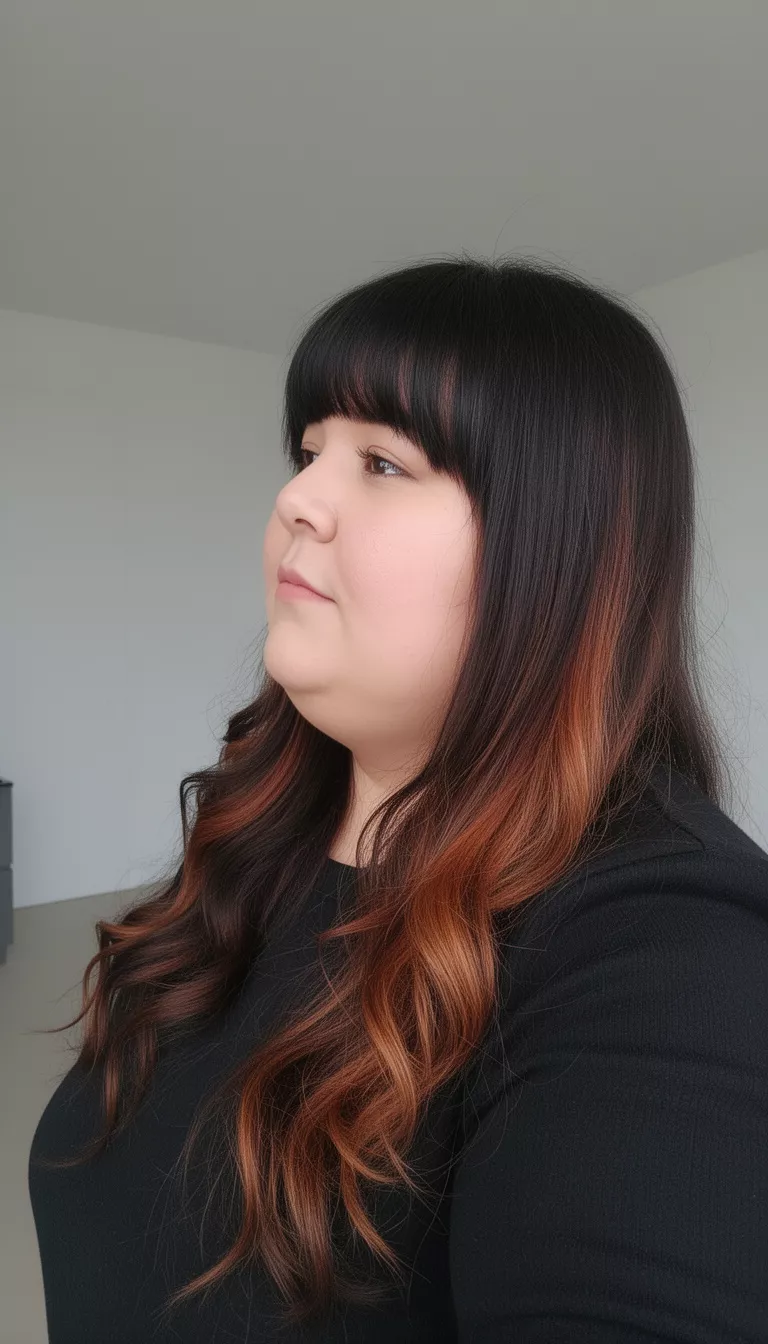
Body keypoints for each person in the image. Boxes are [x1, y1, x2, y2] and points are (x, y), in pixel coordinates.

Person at [28, 255, 768, 1342]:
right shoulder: (262, 841)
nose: (296, 500)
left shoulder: (665, 943)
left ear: (553, 550)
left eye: (381, 462)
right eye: (309, 449)